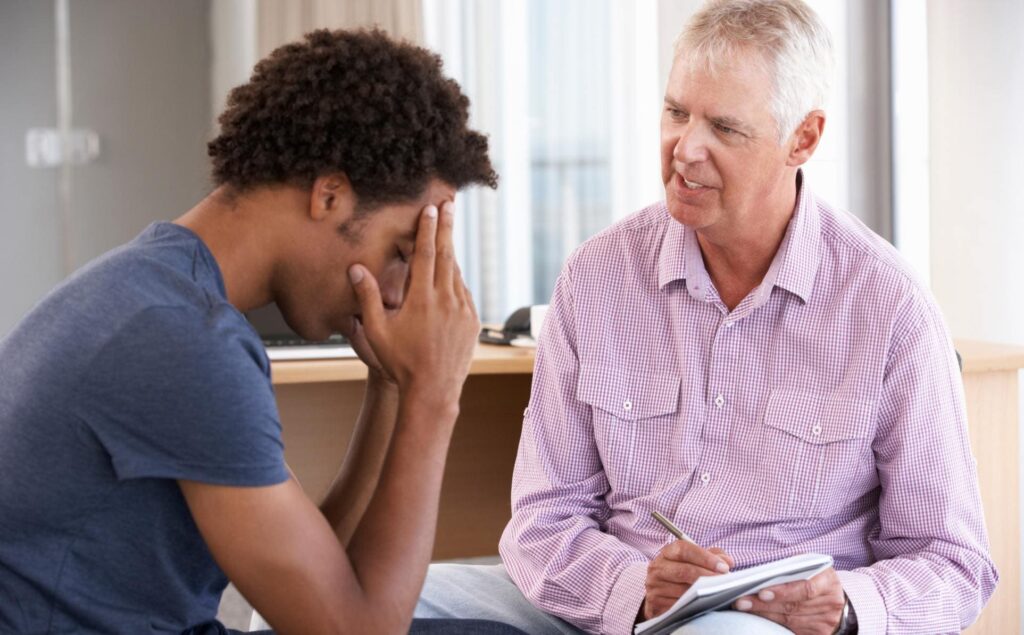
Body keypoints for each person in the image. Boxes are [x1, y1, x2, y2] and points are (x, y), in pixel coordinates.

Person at [415, 1, 998, 634]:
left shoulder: (890, 307)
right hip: (610, 612)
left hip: (767, 628)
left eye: (724, 127)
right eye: (676, 113)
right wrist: (638, 588)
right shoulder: (596, 277)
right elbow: (541, 521)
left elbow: (953, 563)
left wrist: (846, 605)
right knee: (368, 606)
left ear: (802, 138)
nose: (684, 148)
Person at [0, 28, 526, 635]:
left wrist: (391, 388)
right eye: (402, 251)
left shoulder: (159, 288)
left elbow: (315, 574)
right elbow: (357, 629)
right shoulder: (182, 342)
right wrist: (435, 394)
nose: (396, 291)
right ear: (329, 195)